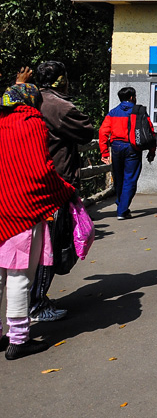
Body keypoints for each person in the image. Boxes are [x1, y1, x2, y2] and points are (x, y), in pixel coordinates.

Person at [0, 83, 75, 360]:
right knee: (19, 277)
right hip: (22, 210)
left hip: (0, 207)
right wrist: (64, 190)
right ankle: (19, 339)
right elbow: (40, 170)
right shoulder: (31, 122)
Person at [31, 61, 95, 323]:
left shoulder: (29, 100)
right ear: (60, 80)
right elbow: (85, 130)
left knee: (33, 247)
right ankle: (36, 304)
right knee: (49, 246)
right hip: (55, 184)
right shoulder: (58, 105)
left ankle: (32, 300)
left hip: (30, 183)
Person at [99, 87, 156, 220]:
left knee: (119, 178)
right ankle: (122, 210)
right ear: (132, 97)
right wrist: (152, 151)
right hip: (133, 148)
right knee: (130, 178)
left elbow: (103, 132)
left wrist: (104, 152)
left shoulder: (112, 113)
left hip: (116, 147)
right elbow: (150, 132)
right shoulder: (139, 112)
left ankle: (121, 203)